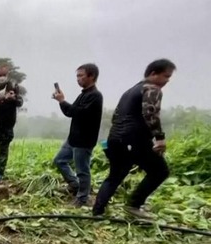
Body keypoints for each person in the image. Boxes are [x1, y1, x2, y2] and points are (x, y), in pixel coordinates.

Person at [92, 59, 176, 219]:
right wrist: (159, 138)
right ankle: (133, 205)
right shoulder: (152, 88)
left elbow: (115, 116)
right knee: (160, 171)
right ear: (153, 74)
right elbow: (150, 113)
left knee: (115, 175)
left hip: (115, 138)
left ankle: (97, 211)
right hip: (135, 139)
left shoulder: (130, 91)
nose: (167, 81)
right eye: (166, 76)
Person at [51, 63, 104, 207]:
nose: (78, 79)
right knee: (60, 160)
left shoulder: (95, 96)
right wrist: (61, 101)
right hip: (73, 138)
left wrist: (62, 100)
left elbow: (79, 113)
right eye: (77, 76)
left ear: (91, 76)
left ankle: (82, 198)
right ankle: (75, 185)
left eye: (81, 76)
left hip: (84, 140)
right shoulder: (84, 94)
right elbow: (70, 112)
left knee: (82, 170)